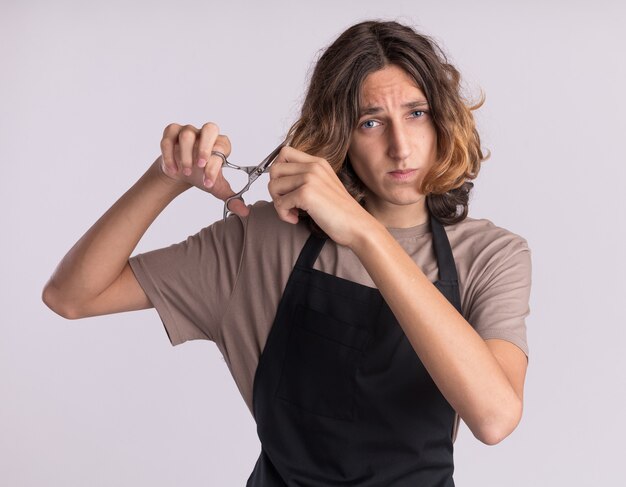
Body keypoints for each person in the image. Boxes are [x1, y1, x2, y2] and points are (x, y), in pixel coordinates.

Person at [43, 20, 531, 486]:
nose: (400, 147)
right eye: (370, 121)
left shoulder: (490, 256)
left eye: (416, 113)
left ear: (442, 120)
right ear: (340, 134)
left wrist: (364, 232)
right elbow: (72, 297)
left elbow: (494, 417)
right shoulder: (262, 240)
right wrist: (165, 178)